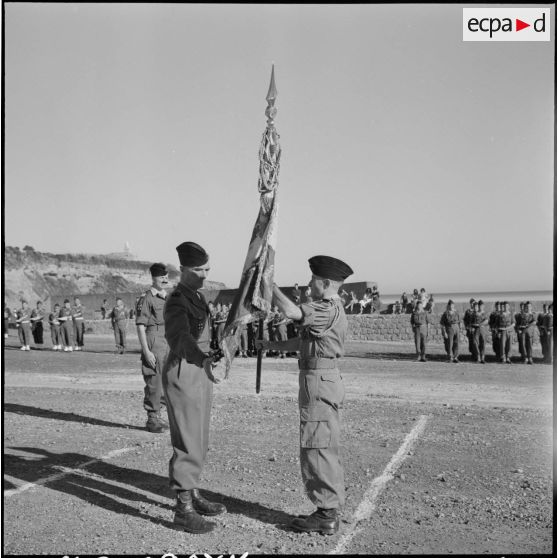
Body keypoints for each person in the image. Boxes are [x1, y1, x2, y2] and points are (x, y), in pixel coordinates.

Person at [255, 254, 354, 535]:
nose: (309, 283)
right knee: (321, 443)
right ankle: (327, 508)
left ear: (325, 283)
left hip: (319, 381)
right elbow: (304, 341)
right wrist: (271, 343)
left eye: (313, 279)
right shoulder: (327, 309)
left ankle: (326, 513)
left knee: (317, 445)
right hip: (320, 378)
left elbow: (292, 312)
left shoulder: (326, 308)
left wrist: (268, 285)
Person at [162, 241, 226, 534]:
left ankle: (193, 490)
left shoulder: (197, 297)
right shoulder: (177, 299)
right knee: (187, 438)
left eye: (207, 268)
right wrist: (201, 358)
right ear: (184, 269)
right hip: (185, 368)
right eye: (199, 269)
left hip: (200, 370)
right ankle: (182, 508)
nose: (204, 274)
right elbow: (181, 338)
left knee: (198, 435)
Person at [136, 263, 170, 434]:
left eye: (166, 276)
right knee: (154, 381)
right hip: (153, 340)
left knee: (165, 381)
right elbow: (141, 326)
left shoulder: (167, 297)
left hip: (167, 341)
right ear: (153, 278)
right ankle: (151, 418)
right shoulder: (146, 298)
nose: (164, 279)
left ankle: (158, 414)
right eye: (161, 276)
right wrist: (146, 351)